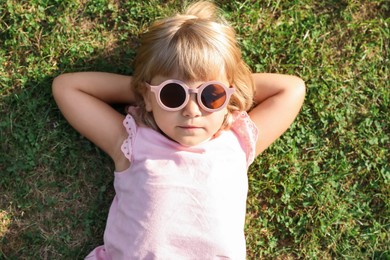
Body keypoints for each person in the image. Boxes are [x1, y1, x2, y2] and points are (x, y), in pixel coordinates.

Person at [52, 1, 305, 259]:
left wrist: (232, 88)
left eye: (211, 95)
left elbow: (291, 90)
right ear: (148, 97)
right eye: (173, 95)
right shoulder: (132, 142)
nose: (192, 110)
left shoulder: (237, 143)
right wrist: (145, 92)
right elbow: (68, 88)